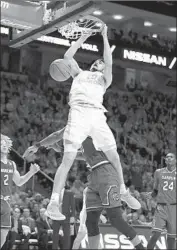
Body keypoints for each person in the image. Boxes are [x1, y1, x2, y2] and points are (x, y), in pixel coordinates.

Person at [24, 24, 140, 220]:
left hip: (96, 115)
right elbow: (68, 57)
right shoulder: (79, 73)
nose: (99, 62)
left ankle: (123, 191)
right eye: (97, 61)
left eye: (101, 62)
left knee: (114, 157)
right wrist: (83, 37)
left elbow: (109, 62)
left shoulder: (104, 79)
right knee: (67, 159)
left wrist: (104, 37)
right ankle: (53, 204)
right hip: (78, 112)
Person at [23, 131, 144, 249]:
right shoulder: (83, 136)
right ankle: (125, 195)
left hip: (106, 172)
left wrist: (37, 145)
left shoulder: (87, 125)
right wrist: (60, 149)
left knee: (116, 219)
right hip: (94, 176)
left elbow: (56, 135)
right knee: (90, 222)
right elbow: (83, 154)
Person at [0, 134, 40, 248]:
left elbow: (19, 181)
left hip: (6, 203)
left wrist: (31, 172)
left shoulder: (11, 164)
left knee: (4, 233)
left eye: (5, 143)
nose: (3, 145)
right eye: (1, 143)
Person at [147, 153, 176, 249]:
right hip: (161, 207)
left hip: (174, 208)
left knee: (171, 238)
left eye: (171, 157)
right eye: (167, 157)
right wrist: (150, 196)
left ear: (175, 160)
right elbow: (155, 190)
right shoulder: (158, 172)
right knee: (156, 233)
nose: (168, 158)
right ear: (165, 160)